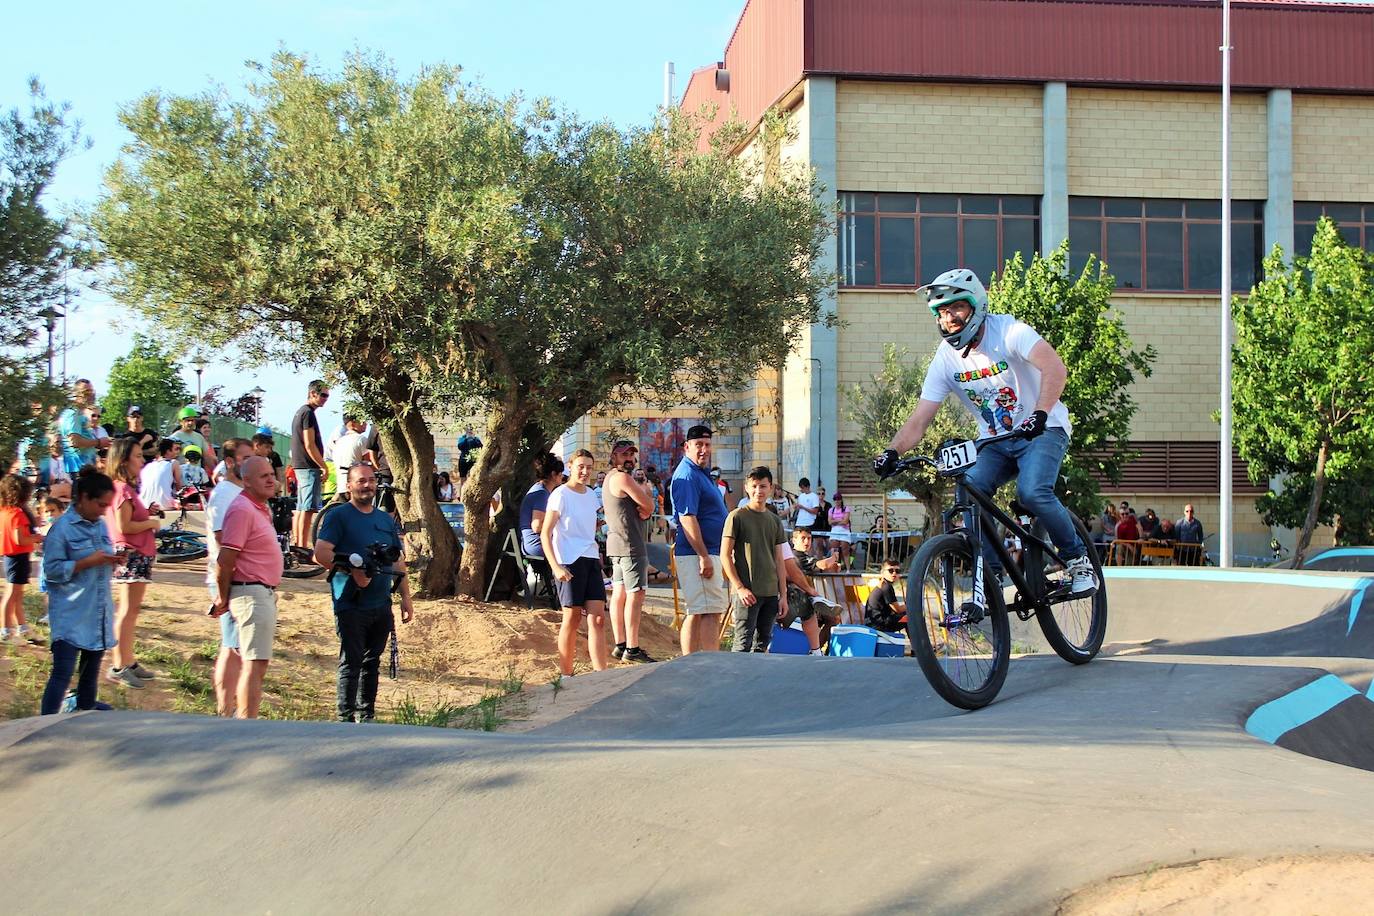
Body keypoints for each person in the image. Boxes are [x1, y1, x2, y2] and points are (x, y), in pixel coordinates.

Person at [874, 268, 1097, 596]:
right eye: (942, 312)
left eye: (956, 308)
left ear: (976, 305)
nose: (949, 318)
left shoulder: (1009, 332)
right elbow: (920, 419)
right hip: (995, 441)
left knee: (1032, 492)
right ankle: (990, 574)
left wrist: (1040, 412)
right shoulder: (946, 359)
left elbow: (1055, 368)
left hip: (1042, 428)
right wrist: (892, 452)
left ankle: (1078, 561)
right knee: (971, 491)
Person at [314, 463, 415, 723]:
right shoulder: (338, 516)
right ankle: (345, 719)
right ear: (348, 486)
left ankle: (366, 717)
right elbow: (321, 552)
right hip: (351, 602)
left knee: (372, 663)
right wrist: (350, 569)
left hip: (381, 603)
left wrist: (405, 597)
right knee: (352, 661)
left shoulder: (384, 519)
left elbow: (397, 560)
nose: (367, 485)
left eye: (371, 480)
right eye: (360, 481)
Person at [40, 469, 125, 714]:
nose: (103, 510)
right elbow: (52, 571)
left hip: (97, 611)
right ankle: (45, 726)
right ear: (84, 497)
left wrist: (114, 559)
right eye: (100, 504)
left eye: (107, 506)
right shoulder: (62, 529)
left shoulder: (99, 526)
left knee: (90, 673)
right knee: (62, 674)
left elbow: (101, 557)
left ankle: (85, 711)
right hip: (71, 613)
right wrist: (87, 562)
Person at [213, 456, 284, 718]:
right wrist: (222, 598)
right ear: (246, 481)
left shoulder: (260, 508)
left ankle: (245, 720)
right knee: (254, 664)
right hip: (250, 592)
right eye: (262, 476)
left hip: (260, 592)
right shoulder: (242, 509)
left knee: (257, 663)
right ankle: (246, 725)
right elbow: (225, 559)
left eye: (271, 474)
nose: (270, 479)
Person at [541, 449, 609, 676]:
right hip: (568, 560)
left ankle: (601, 673)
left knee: (598, 618)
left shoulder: (591, 494)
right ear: (571, 467)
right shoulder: (560, 494)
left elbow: (590, 525)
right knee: (571, 617)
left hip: (590, 558)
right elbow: (546, 533)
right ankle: (566, 674)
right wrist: (556, 566)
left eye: (589, 467)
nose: (585, 471)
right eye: (581, 466)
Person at [104, 437, 161, 687]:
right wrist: (151, 522)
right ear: (123, 460)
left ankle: (128, 660)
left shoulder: (121, 489)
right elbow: (124, 526)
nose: (142, 460)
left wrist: (147, 515)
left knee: (131, 611)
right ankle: (119, 665)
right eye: (137, 456)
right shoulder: (122, 489)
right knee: (127, 611)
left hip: (136, 554)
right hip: (132, 553)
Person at [205, 438, 253, 716]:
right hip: (230, 576)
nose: (249, 461)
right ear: (231, 461)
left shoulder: (239, 491)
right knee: (233, 647)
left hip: (239, 575)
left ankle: (231, 708)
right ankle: (226, 710)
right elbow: (224, 539)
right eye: (244, 457)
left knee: (236, 645)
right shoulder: (225, 493)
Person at [671, 425, 729, 655]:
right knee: (709, 611)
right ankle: (709, 663)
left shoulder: (699, 472)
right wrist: (704, 555)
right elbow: (687, 518)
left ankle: (693, 662)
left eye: (707, 445)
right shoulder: (686, 475)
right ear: (687, 447)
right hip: (697, 554)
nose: (704, 450)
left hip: (707, 552)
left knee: (699, 610)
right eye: (698, 445)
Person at [721, 466, 789, 653]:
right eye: (755, 486)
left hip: (770, 594)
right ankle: (736, 681)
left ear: (771, 488)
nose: (759, 490)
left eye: (763, 486)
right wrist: (740, 587)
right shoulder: (736, 517)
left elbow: (779, 560)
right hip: (747, 594)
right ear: (747, 488)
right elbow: (724, 555)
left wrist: (783, 595)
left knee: (762, 644)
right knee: (742, 644)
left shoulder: (774, 521)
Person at [603, 441, 658, 664]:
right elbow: (649, 505)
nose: (629, 458)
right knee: (635, 595)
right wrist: (646, 502)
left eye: (632, 454)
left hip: (616, 544)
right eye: (624, 454)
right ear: (614, 457)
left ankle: (620, 644)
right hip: (630, 545)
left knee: (619, 594)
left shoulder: (608, 478)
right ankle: (632, 649)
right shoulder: (623, 478)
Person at [780, 527, 843, 655]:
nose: (806, 542)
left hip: (803, 597)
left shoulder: (802, 556)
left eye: (809, 538)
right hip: (795, 598)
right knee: (832, 618)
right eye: (803, 538)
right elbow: (822, 565)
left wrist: (833, 566)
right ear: (793, 540)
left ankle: (814, 650)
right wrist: (834, 557)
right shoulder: (797, 556)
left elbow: (823, 568)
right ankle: (815, 651)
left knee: (830, 619)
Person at [1, 475, 43, 643]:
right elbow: (20, 539)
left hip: (12, 556)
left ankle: (22, 627)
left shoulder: (5, 510)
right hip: (18, 555)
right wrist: (37, 538)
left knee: (17, 594)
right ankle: (5, 631)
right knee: (12, 594)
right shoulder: (18, 513)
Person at [518, 454, 564, 602]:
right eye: (560, 474)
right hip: (537, 545)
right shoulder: (541, 494)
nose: (562, 477)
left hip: (532, 544)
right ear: (553, 474)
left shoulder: (538, 490)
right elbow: (537, 526)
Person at [290, 380, 330, 547]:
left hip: (302, 465)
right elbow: (309, 443)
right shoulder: (307, 413)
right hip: (308, 466)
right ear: (312, 393)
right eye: (323, 395)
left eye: (327, 396)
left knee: (301, 507)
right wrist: (323, 465)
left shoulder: (302, 412)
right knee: (307, 509)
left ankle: (299, 544)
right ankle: (302, 546)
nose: (325, 399)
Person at [57, 379, 108, 474]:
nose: (91, 395)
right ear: (76, 394)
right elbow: (74, 441)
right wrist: (99, 442)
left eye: (92, 391)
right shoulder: (72, 414)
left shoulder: (80, 414)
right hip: (77, 471)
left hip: (86, 470)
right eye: (86, 392)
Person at [138, 438, 182, 514]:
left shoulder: (148, 466)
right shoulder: (174, 463)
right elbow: (179, 487)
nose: (177, 452)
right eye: (175, 449)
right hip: (163, 505)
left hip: (144, 505)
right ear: (168, 451)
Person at [864, 559, 907, 633]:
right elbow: (898, 609)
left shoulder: (883, 585)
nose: (894, 573)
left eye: (897, 571)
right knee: (911, 617)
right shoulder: (886, 587)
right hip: (880, 624)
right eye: (890, 570)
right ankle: (919, 643)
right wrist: (911, 606)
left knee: (907, 616)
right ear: (883, 572)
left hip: (874, 623)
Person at [828, 494, 854, 570]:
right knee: (834, 551)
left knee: (845, 551)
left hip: (844, 531)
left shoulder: (846, 509)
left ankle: (848, 569)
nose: (837, 501)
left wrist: (835, 521)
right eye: (835, 499)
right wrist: (840, 520)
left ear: (841, 500)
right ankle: (834, 568)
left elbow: (845, 521)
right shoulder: (831, 510)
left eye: (838, 499)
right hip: (835, 531)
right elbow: (829, 522)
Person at [455, 425, 483, 494]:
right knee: (463, 480)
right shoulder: (462, 438)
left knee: (473, 478)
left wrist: (473, 438)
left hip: (473, 461)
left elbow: (481, 446)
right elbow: (460, 447)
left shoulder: (476, 438)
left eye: (471, 429)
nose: (470, 431)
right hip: (463, 461)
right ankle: (462, 496)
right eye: (468, 429)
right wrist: (466, 438)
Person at [810, 486, 833, 558]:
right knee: (819, 546)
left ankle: (830, 561)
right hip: (817, 527)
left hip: (827, 527)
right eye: (819, 494)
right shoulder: (814, 504)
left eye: (822, 493)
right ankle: (820, 563)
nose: (821, 495)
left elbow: (829, 515)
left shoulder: (828, 505)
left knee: (829, 546)